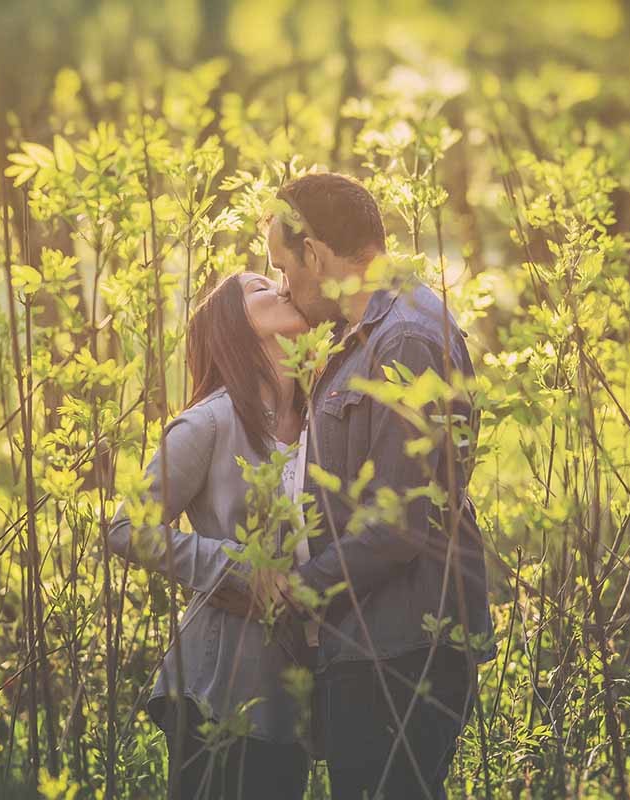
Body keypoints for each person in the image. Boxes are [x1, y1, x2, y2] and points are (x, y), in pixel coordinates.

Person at [262, 172, 495, 799]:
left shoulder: (408, 339)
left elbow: (396, 525)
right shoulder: (357, 336)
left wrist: (298, 588)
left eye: (284, 266)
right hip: (368, 644)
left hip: (401, 646)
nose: (284, 285)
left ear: (315, 253)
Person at [107, 272, 313, 799]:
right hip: (216, 684)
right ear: (234, 326)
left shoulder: (321, 419)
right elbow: (128, 529)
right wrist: (238, 565)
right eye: (260, 286)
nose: (283, 288)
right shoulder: (209, 423)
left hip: (294, 689)